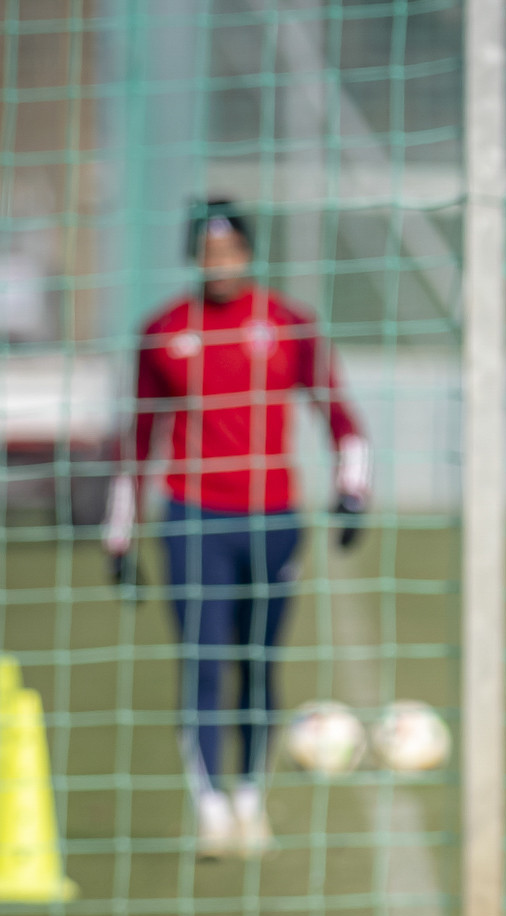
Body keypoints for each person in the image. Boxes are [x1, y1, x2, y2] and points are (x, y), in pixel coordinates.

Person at [102, 199, 370, 858]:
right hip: (193, 517)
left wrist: (352, 488)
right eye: (208, 251)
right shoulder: (164, 331)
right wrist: (119, 532)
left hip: (274, 517)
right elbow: (139, 437)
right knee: (203, 661)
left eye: (230, 250)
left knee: (258, 663)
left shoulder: (288, 325)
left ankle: (250, 799)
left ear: (249, 254)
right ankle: (211, 810)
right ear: (193, 257)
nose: (219, 263)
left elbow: (338, 414)